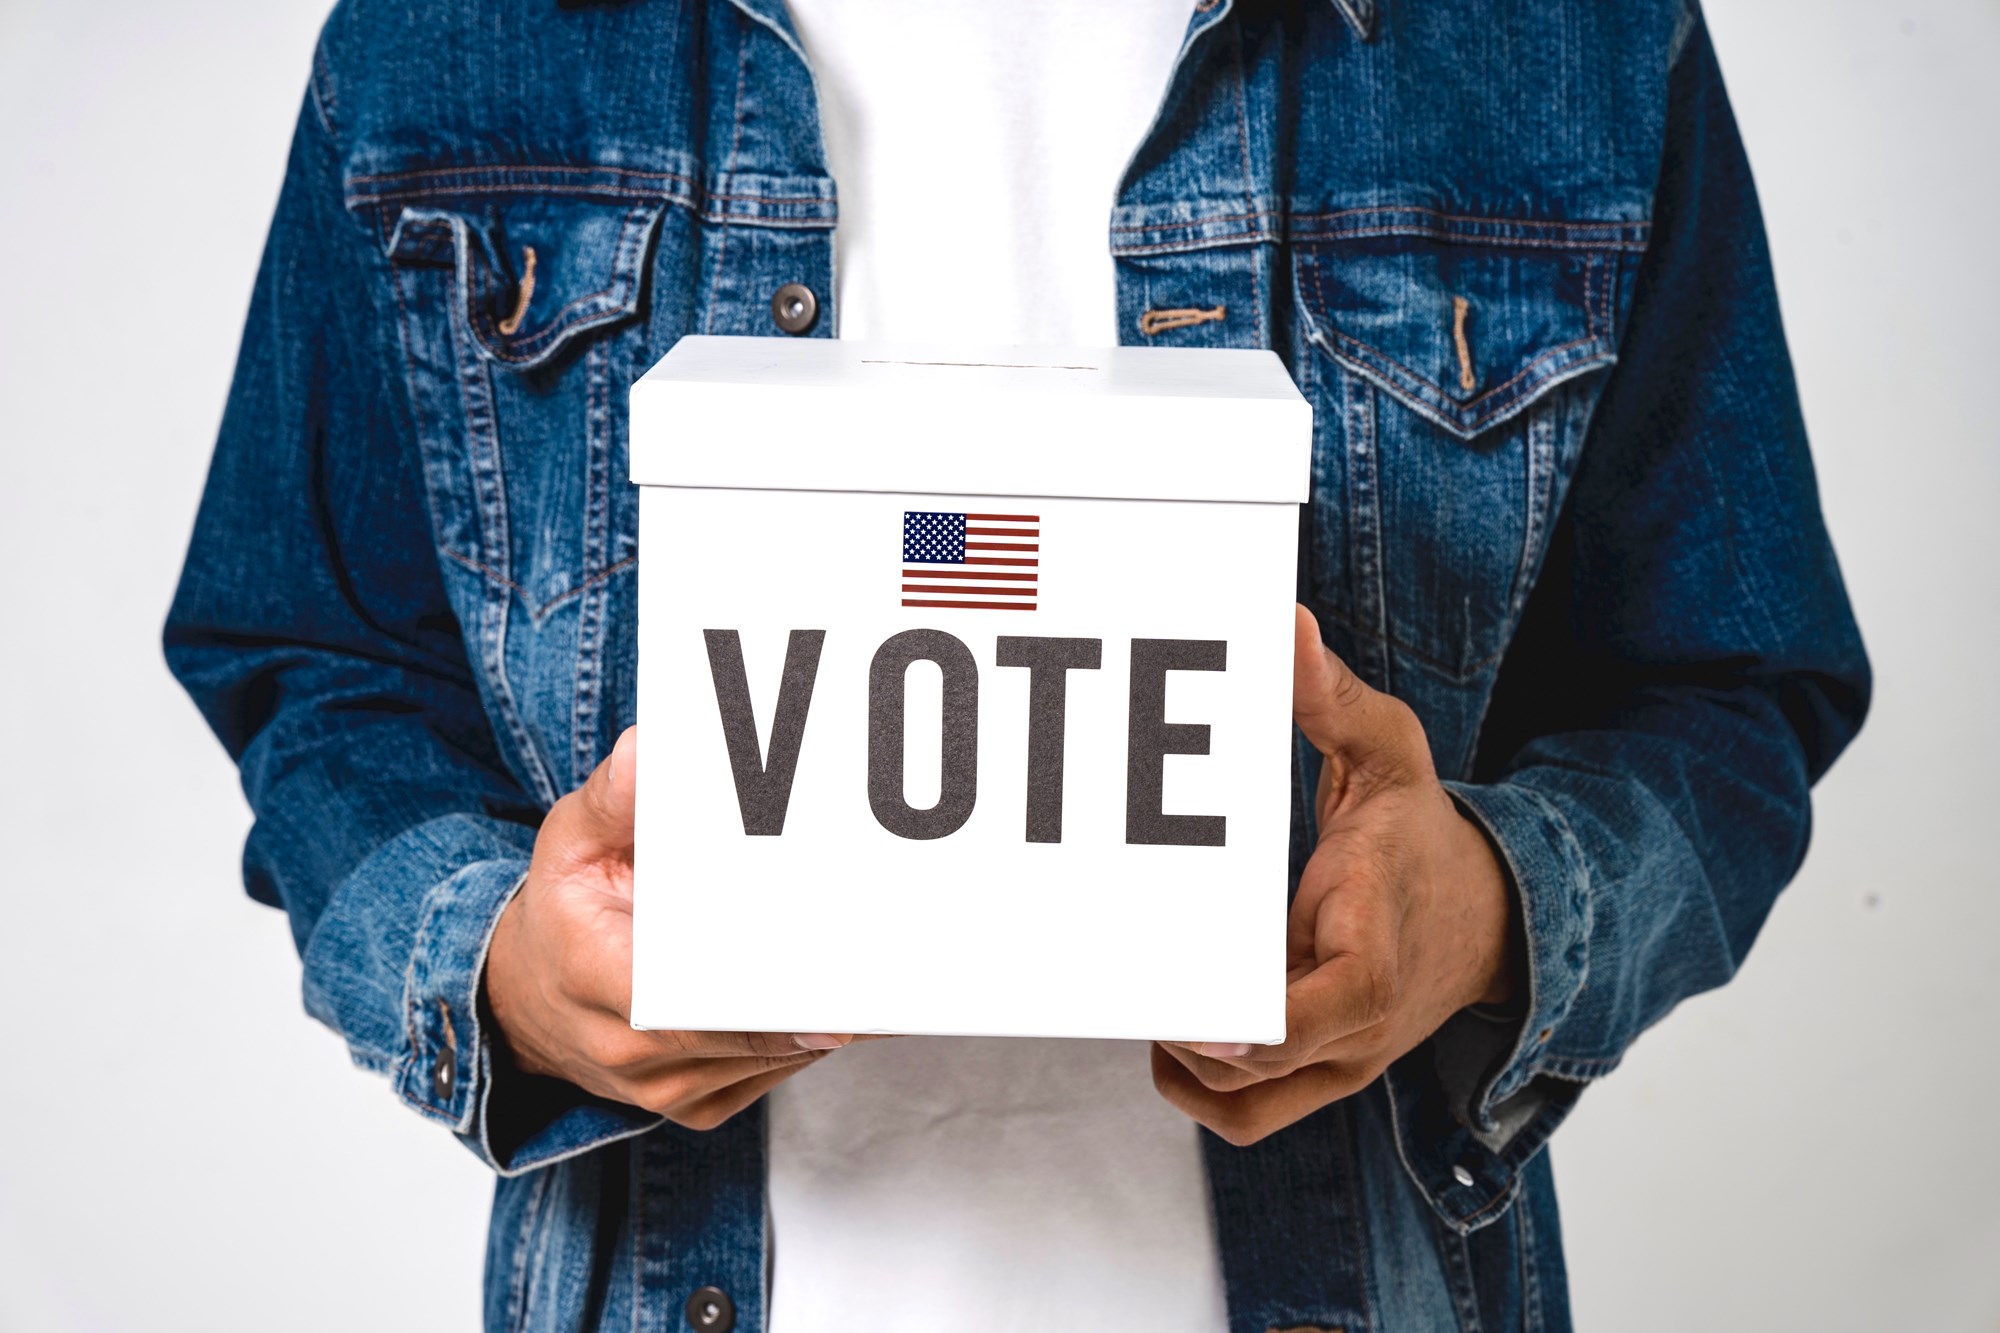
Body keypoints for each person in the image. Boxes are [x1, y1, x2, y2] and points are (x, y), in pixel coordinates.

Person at [164, 0, 1870, 1329]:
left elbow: (1727, 686)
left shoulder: (1571, 40)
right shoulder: (444, 44)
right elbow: (312, 649)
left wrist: (1488, 907)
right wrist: (499, 970)